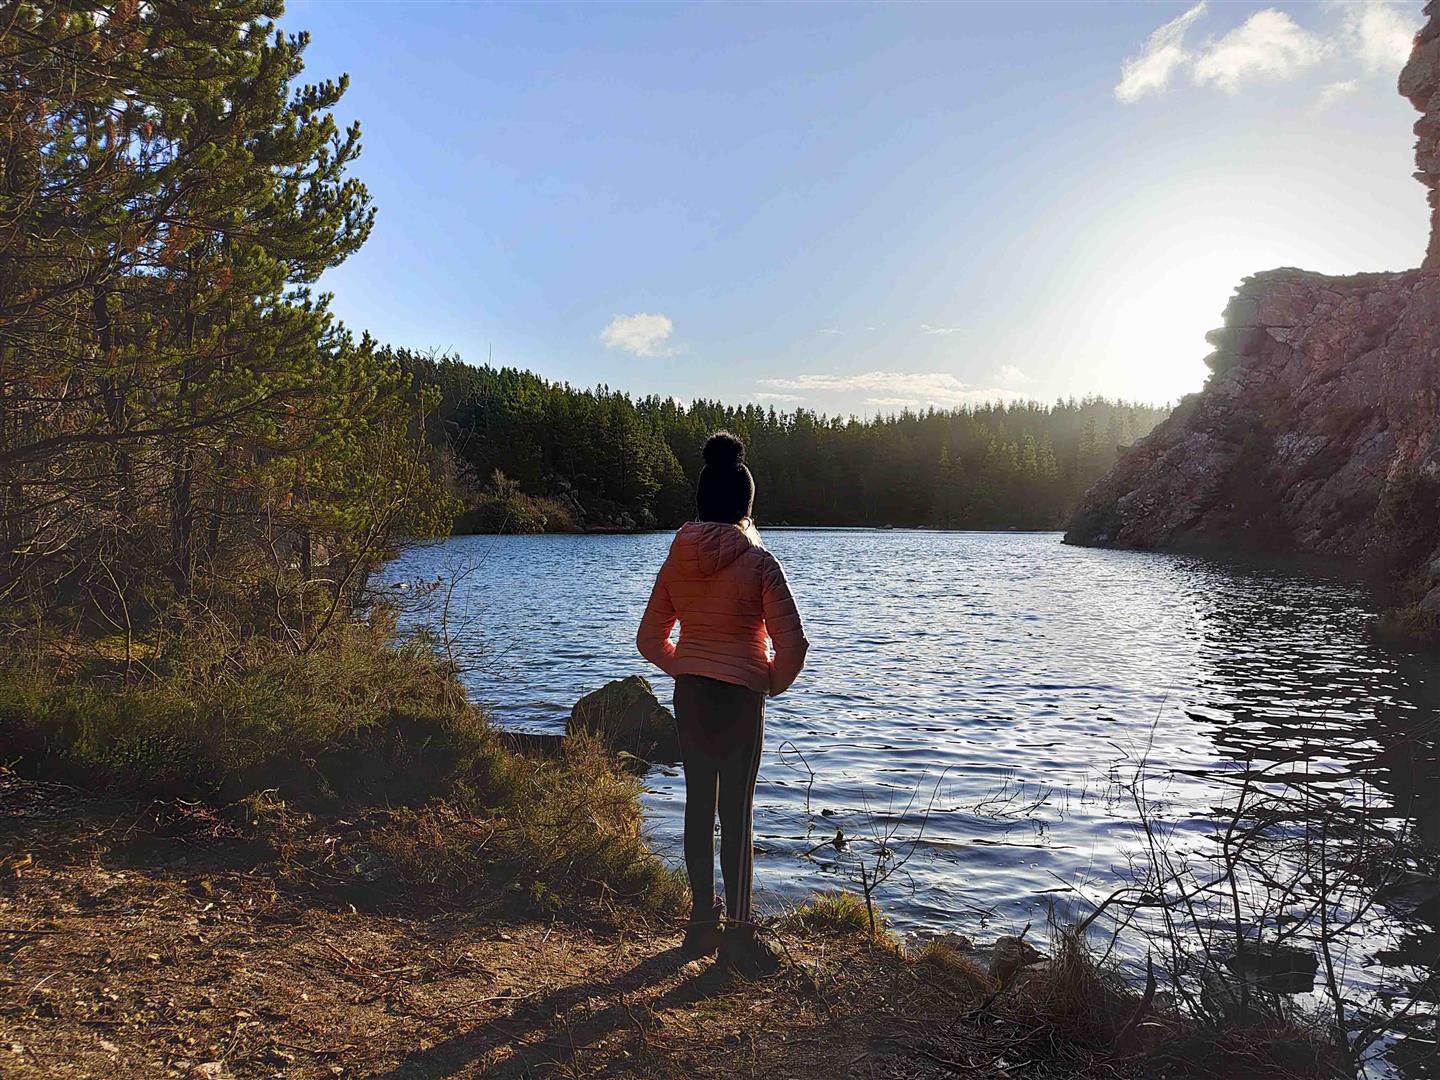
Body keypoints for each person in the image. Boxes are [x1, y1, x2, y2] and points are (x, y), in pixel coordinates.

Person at [636, 431, 808, 978]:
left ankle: (699, 923)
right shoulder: (760, 563)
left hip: (691, 697)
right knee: (735, 814)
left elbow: (649, 639)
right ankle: (738, 937)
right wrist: (767, 682)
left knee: (696, 805)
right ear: (746, 504)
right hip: (738, 699)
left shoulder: (677, 559)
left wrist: (688, 665)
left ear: (701, 500)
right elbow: (793, 644)